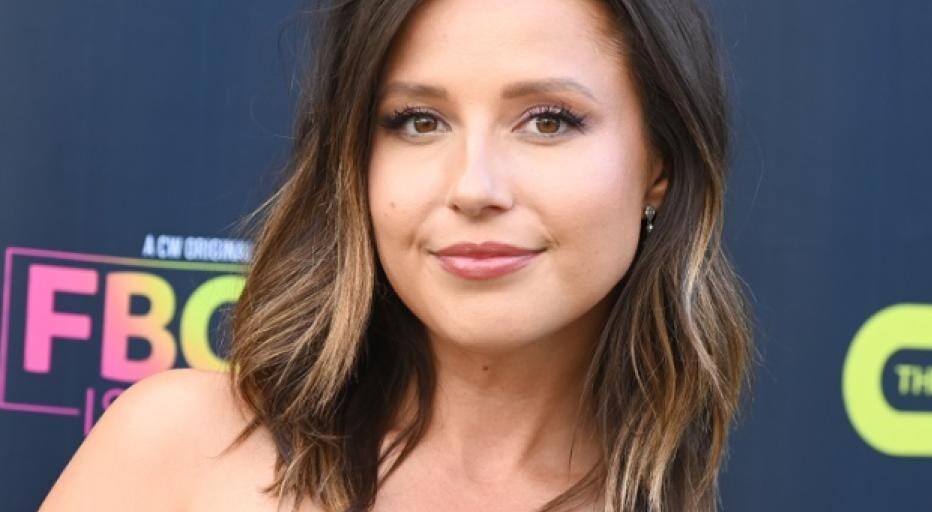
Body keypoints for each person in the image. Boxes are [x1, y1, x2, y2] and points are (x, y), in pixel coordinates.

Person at [40, 0, 753, 510]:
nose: (474, 187)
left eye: (547, 121)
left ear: (659, 163)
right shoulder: (176, 452)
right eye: (418, 121)